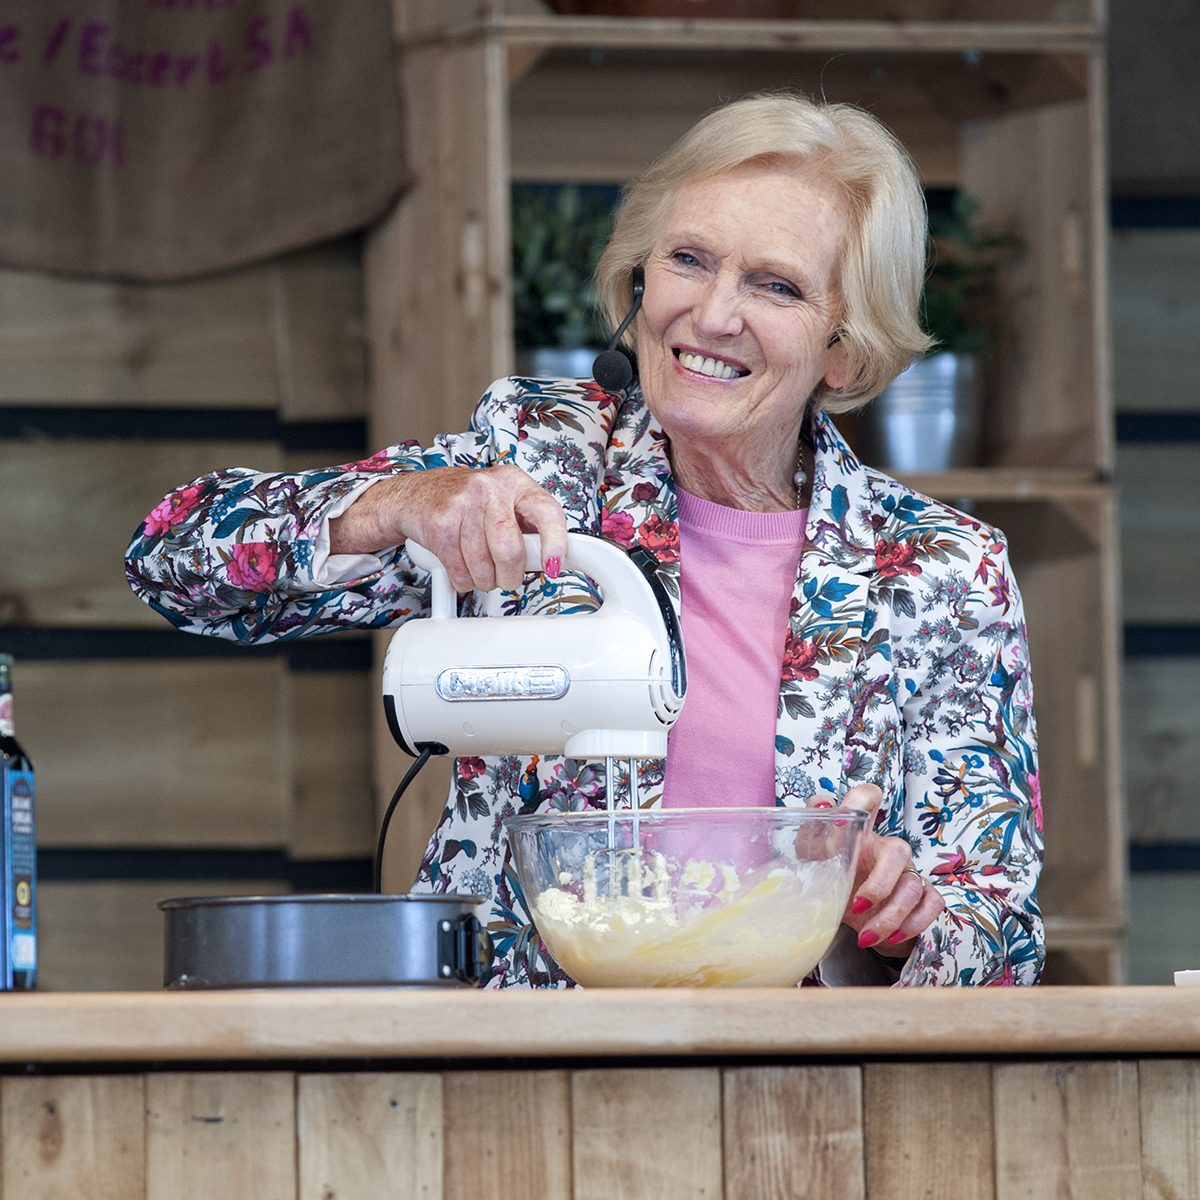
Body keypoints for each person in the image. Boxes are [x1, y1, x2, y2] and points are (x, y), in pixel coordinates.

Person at [126, 93, 1043, 988]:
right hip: (517, 1077)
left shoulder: (942, 572)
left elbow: (1003, 935)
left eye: (776, 286)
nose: (713, 314)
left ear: (842, 348)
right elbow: (175, 560)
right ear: (640, 278)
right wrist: (398, 504)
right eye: (689, 259)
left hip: (794, 1095)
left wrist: (907, 919)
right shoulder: (538, 459)